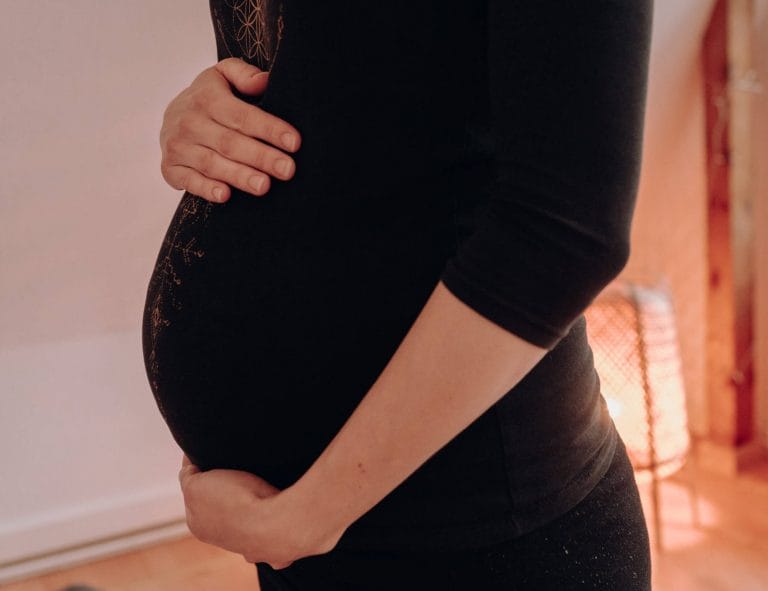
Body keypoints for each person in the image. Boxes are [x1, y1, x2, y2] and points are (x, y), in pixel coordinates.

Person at [144, 0, 654, 588]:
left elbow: (566, 232)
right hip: (311, 532)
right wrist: (203, 109)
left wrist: (307, 517)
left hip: (481, 544)